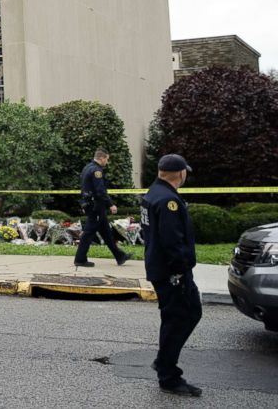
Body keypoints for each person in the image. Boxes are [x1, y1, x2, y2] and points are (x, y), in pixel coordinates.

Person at [141, 153, 203, 397]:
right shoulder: (168, 201)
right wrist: (180, 271)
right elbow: (171, 241)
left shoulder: (154, 193)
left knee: (178, 317)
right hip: (172, 273)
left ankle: (164, 362)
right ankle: (168, 375)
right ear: (181, 173)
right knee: (182, 317)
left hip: (161, 269)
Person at [73, 148, 129, 267]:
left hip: (91, 205)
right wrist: (111, 204)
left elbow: (84, 187)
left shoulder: (87, 167)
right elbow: (100, 191)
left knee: (106, 232)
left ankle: (120, 256)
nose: (107, 162)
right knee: (89, 232)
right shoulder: (96, 170)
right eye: (107, 159)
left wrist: (84, 203)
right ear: (102, 158)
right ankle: (80, 259)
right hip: (96, 206)